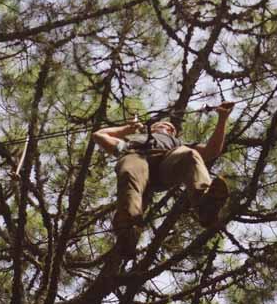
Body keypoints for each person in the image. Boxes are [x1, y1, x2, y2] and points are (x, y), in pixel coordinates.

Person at [92, 102, 235, 257]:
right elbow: (99, 135)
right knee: (129, 170)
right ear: (152, 127)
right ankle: (128, 227)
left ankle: (204, 204)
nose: (169, 128)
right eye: (163, 125)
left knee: (190, 154)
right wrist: (127, 129)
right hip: (137, 158)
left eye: (172, 129)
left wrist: (222, 119)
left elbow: (211, 150)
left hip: (165, 166)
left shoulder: (179, 144)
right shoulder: (132, 140)